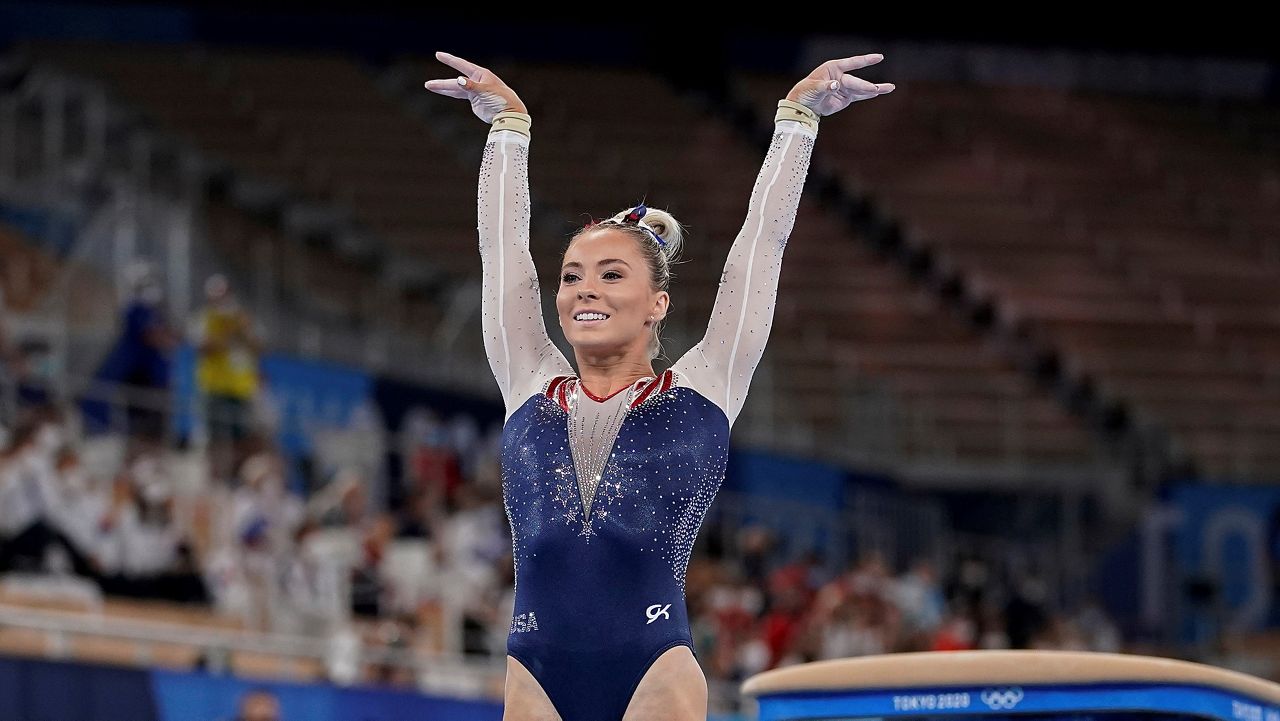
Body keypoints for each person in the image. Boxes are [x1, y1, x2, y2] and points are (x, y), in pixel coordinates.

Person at [426, 50, 893, 721]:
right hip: (534, 673)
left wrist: (798, 121)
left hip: (654, 671)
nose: (585, 288)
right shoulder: (529, 380)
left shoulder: (705, 386)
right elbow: (501, 253)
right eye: (573, 275)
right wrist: (508, 129)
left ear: (657, 304)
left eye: (612, 274)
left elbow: (763, 247)